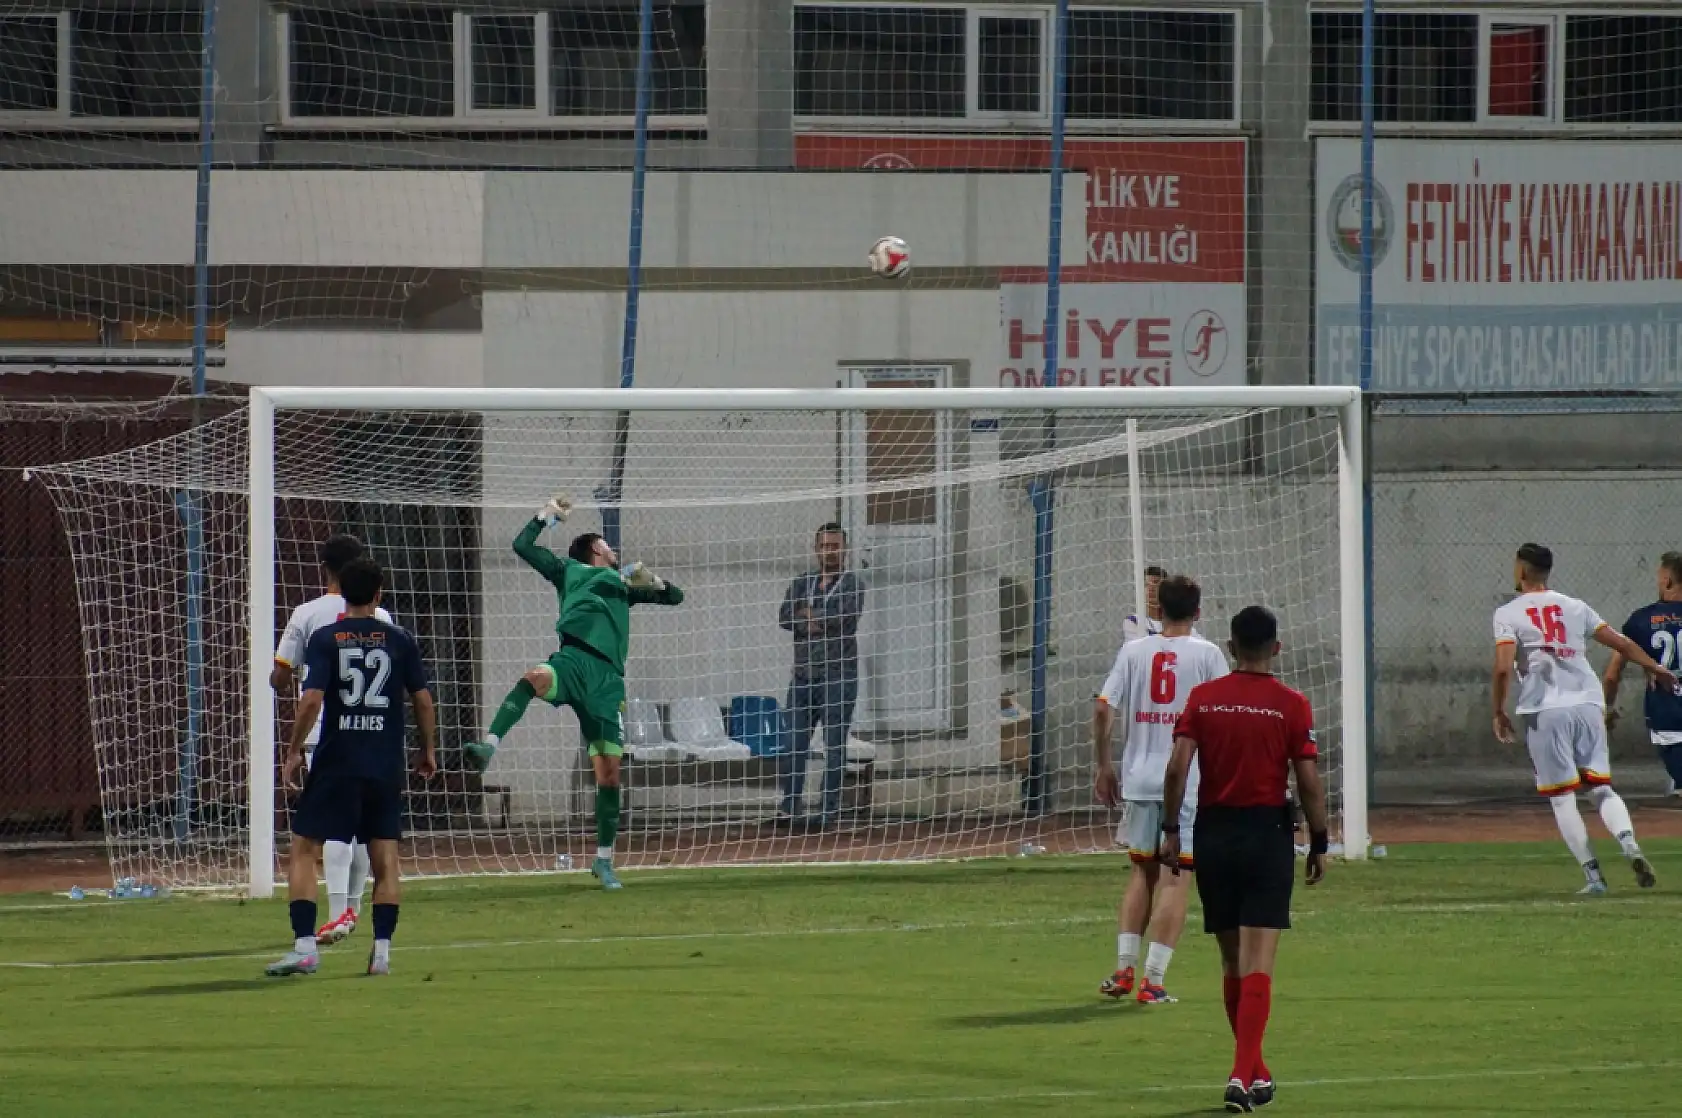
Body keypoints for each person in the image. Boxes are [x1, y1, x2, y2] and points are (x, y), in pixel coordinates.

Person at [462, 495, 683, 889]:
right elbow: (521, 546)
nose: (614, 551)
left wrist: (658, 583)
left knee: (609, 776)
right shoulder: (568, 570)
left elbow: (675, 597)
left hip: (608, 682)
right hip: (573, 660)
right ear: (598, 547)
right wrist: (546, 517)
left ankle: (603, 861)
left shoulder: (623, 587)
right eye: (609, 545)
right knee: (534, 677)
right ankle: (488, 745)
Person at [1161, 605, 1326, 1114]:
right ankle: (1240, 1073)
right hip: (1266, 834)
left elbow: (1177, 769)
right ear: (1276, 649)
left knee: (1232, 960)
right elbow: (1309, 782)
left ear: (1231, 648)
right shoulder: (1291, 703)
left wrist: (1171, 829)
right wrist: (1320, 840)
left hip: (1214, 834)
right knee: (1260, 962)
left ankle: (1255, 1072)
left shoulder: (1204, 699)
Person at [267, 558, 437, 978]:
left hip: (337, 759)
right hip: (384, 761)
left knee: (305, 848)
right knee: (385, 857)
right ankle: (381, 954)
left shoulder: (326, 638)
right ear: (379, 594)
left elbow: (310, 701)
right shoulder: (399, 640)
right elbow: (423, 699)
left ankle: (306, 947)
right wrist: (428, 750)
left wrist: (292, 751)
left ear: (342, 592)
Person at [1492, 543, 1670, 893]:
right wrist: (1655, 667)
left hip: (1546, 709)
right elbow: (1621, 643)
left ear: (1522, 571)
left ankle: (1594, 877)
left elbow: (1502, 669)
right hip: (1589, 703)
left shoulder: (1508, 613)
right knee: (1601, 787)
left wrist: (1498, 710)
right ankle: (1629, 844)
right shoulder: (1575, 606)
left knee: (1562, 797)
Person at [1092, 574, 1227, 1005]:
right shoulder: (1207, 655)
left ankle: (1123, 969)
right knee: (1176, 876)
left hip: (1138, 777)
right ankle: (1153, 981)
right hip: (1185, 780)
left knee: (1141, 872)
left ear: (1157, 611)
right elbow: (1223, 718)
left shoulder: (1134, 651)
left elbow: (1102, 707)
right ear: (1198, 612)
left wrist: (1104, 765)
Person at [270, 532, 394, 946]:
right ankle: (352, 910)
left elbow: (281, 673)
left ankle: (337, 911)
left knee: (324, 829)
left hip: (324, 731)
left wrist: (281, 677)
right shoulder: (385, 619)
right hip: (375, 734)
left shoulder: (307, 613)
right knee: (364, 827)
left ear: (325, 569)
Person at [777, 523, 865, 832]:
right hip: (802, 676)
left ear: (844, 550)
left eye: (835, 546)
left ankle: (828, 811)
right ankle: (790, 808)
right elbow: (785, 617)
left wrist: (810, 615)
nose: (830, 551)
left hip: (838, 675)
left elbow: (845, 620)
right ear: (817, 549)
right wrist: (815, 620)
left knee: (834, 746)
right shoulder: (802, 582)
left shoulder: (853, 584)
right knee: (793, 743)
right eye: (825, 546)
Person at [1602, 550, 1682, 799]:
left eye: (1660, 577)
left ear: (1668, 580)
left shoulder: (1641, 620)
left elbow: (1613, 674)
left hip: (1667, 716)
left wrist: (1607, 706)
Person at [1121, 565, 1169, 643]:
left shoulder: (1176, 621)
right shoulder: (1133, 621)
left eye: (1155, 583)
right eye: (1146, 585)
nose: (1151, 588)